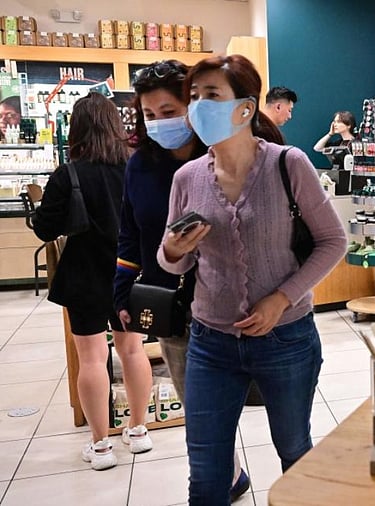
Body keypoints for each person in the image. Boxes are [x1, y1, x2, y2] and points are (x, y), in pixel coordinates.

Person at [157, 54, 346, 504]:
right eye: (195, 97)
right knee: (206, 471)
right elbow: (173, 264)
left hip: (286, 339)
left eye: (213, 96)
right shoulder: (186, 177)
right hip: (209, 342)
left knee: (295, 452)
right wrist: (173, 251)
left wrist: (281, 298)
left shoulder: (289, 164)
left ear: (244, 108)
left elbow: (333, 242)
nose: (200, 106)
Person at [112, 60, 253, 501]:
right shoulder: (140, 166)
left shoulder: (224, 154)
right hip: (171, 304)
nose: (159, 122)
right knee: (197, 408)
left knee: (246, 404)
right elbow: (130, 234)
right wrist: (120, 291)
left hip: (233, 302)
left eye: (169, 110)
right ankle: (226, 477)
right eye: (150, 115)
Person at [32, 92, 154, 471]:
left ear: (76, 130)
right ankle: (138, 431)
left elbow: (45, 229)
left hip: (83, 276)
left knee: (91, 358)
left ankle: (101, 445)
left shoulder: (68, 174)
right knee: (132, 351)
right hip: (129, 274)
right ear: (117, 127)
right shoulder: (137, 167)